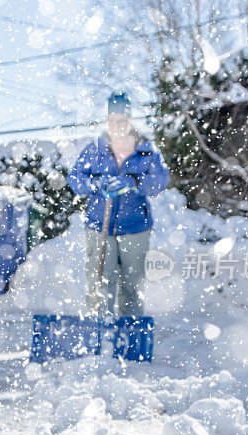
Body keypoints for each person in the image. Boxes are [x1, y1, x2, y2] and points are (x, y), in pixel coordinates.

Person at [67, 92, 169, 317]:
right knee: (101, 283)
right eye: (112, 120)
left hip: (135, 228)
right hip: (98, 225)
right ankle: (100, 334)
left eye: (122, 120)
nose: (117, 125)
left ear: (130, 120)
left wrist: (134, 182)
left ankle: (130, 336)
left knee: (132, 286)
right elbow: (74, 178)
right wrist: (95, 183)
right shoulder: (95, 149)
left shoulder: (146, 149)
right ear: (107, 121)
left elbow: (161, 180)